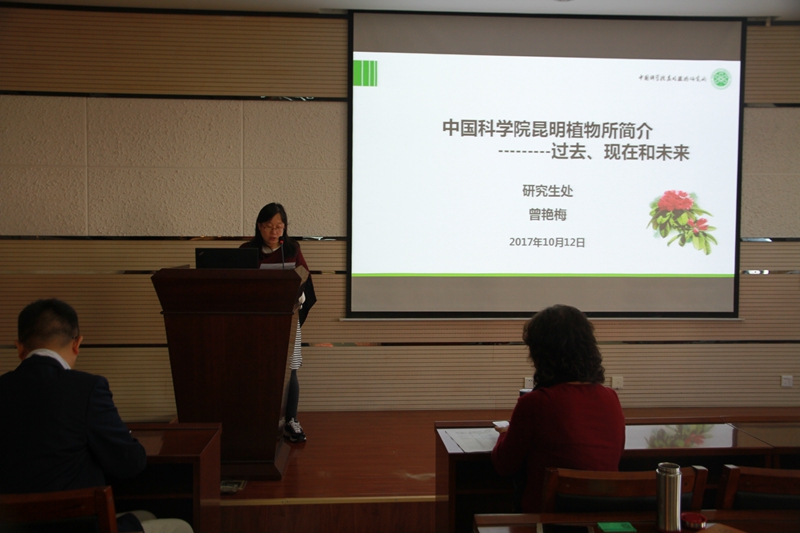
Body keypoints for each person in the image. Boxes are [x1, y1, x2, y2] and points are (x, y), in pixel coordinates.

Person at [0, 298, 192, 533]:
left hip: (13, 526)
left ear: (19, 347)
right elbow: (130, 463)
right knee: (180, 527)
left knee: (145, 516)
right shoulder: (87, 388)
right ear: (77, 344)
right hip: (77, 527)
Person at [491, 304, 625, 513]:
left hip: (546, 518)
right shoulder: (611, 398)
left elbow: (504, 464)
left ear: (539, 353)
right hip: (603, 514)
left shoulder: (537, 402)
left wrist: (505, 433)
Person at [241, 202, 316, 443]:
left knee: (290, 369)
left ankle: (290, 419)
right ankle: (254, 419)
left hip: (287, 319)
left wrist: (298, 293)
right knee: (254, 371)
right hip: (255, 322)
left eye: (279, 226)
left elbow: (306, 280)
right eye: (268, 226)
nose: (274, 232)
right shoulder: (247, 251)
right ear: (259, 226)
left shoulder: (292, 249)